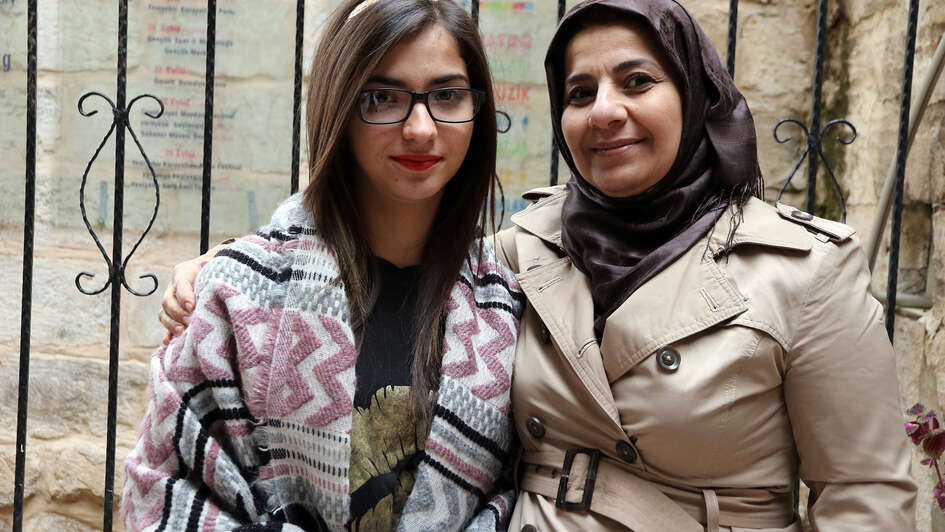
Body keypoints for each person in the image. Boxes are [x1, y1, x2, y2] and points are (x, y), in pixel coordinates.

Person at [159, 0, 918, 530]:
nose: (604, 111)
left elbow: (866, 499)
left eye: (637, 81)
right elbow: (377, 261)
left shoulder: (803, 269)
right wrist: (227, 264)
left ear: (695, 92)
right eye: (579, 91)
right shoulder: (527, 246)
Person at [121, 1, 523, 530]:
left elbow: (525, 487)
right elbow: (158, 492)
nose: (421, 128)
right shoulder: (236, 293)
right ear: (339, 107)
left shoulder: (510, 300)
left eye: (447, 95)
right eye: (382, 98)